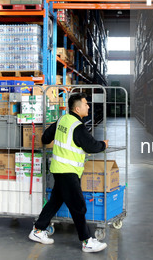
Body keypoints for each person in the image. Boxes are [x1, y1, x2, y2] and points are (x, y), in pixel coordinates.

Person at [29, 92, 109, 253]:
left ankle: (38, 230)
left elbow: (45, 138)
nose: (88, 106)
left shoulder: (62, 120)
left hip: (59, 169)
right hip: (68, 171)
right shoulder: (77, 126)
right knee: (78, 206)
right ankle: (87, 241)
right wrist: (103, 144)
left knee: (55, 201)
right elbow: (91, 146)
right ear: (78, 108)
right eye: (86, 104)